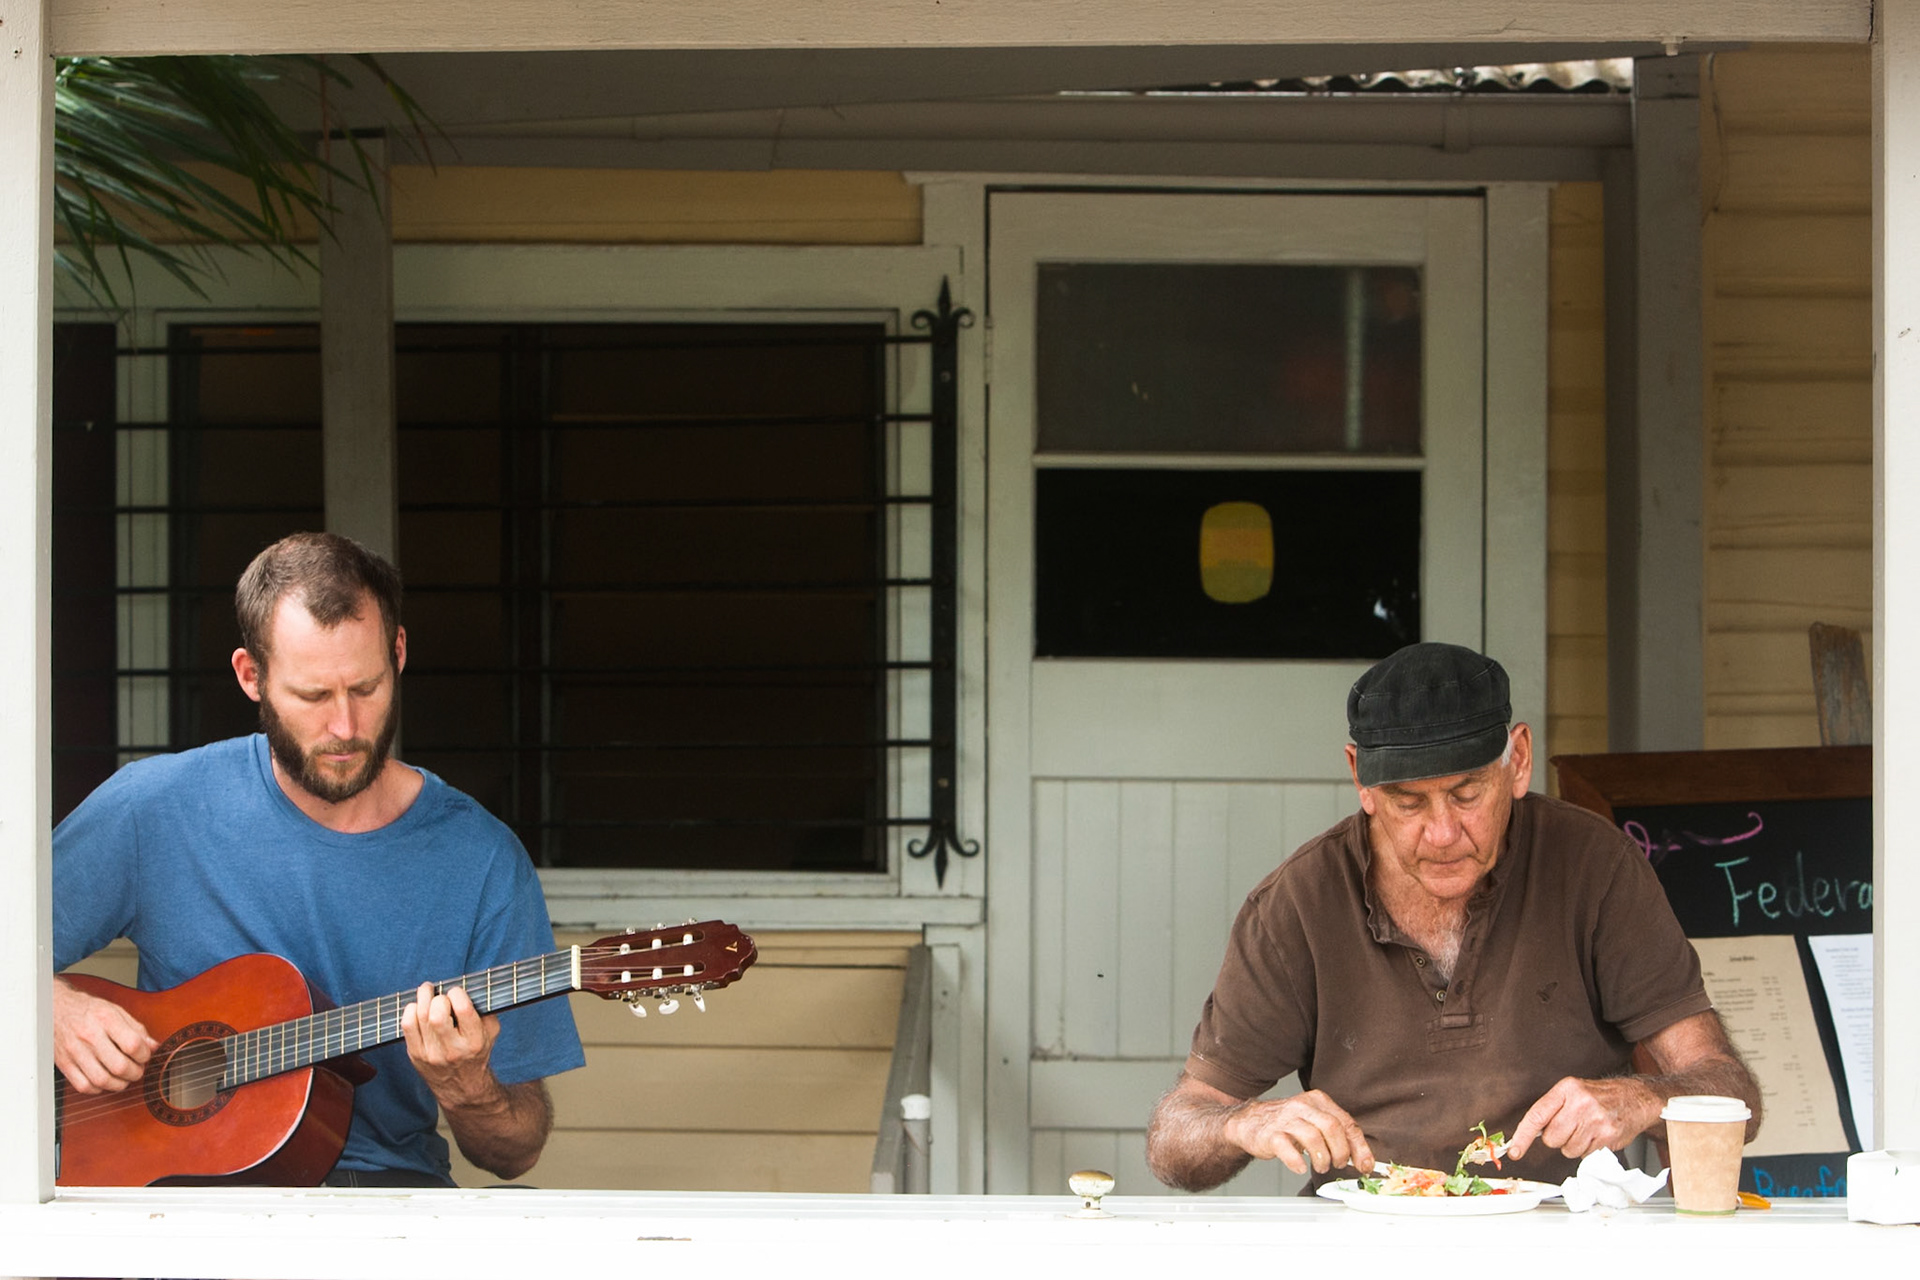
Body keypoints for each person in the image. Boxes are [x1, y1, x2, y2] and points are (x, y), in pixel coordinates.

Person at [51, 531, 585, 1187]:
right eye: (313, 697)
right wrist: (47, 1005)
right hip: (170, 1203)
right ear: (252, 676)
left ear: (398, 652)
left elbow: (515, 1149)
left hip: (385, 1205)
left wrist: (468, 1088)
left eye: (366, 687)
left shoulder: (481, 861)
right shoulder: (156, 807)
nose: (345, 728)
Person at [1146, 641, 1761, 1193]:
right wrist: (1245, 1123)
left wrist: (1641, 1100)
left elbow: (1733, 1092)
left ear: (1517, 760)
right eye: (1408, 802)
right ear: (1361, 779)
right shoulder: (1298, 902)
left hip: (1562, 1243)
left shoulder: (1596, 867)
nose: (1441, 834)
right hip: (1362, 1248)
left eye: (1467, 795)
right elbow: (1175, 1137)